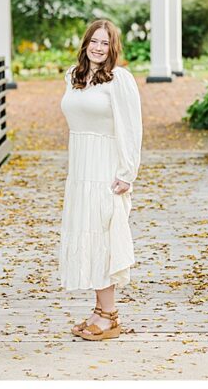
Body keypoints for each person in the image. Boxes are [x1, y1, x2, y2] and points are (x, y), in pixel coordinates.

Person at [58, 19, 142, 341]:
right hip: (80, 169)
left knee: (104, 238)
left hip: (105, 169)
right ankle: (99, 311)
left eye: (105, 43)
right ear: (85, 43)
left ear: (113, 48)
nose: (97, 47)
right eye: (94, 41)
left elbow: (132, 128)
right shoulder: (73, 76)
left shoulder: (119, 79)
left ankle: (110, 316)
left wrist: (126, 173)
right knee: (89, 237)